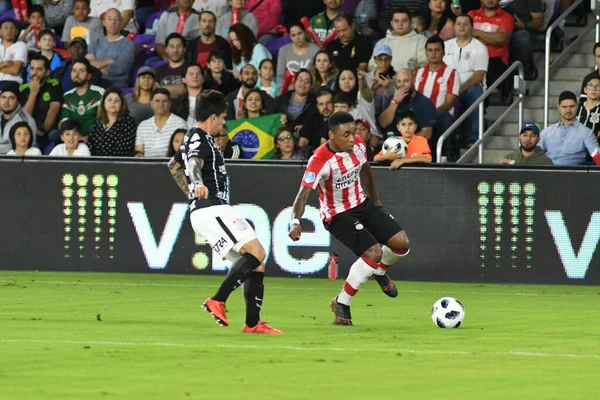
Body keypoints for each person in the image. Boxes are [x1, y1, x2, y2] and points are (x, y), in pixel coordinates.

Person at [167, 90, 283, 334]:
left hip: (208, 209)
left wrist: (190, 193)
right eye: (222, 117)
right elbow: (194, 163)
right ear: (212, 117)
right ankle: (217, 299)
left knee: (256, 262)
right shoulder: (199, 137)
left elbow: (174, 165)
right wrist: (197, 184)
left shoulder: (192, 138)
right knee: (257, 251)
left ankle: (252, 323)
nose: (223, 122)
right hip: (213, 208)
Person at [288, 111, 411, 325]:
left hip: (362, 203)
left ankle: (379, 271)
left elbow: (365, 171)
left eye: (353, 133)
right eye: (346, 135)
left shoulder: (359, 146)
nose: (352, 139)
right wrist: (295, 221)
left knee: (402, 244)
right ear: (331, 135)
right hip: (337, 213)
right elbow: (304, 193)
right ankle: (341, 303)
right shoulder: (319, 160)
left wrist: (377, 203)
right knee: (373, 252)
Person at [443, 14, 488, 146]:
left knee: (476, 93)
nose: (462, 26)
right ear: (454, 27)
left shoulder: (480, 48)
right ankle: (447, 143)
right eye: (459, 24)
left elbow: (479, 75)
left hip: (469, 87)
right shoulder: (445, 46)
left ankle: (474, 139)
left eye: (465, 24)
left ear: (471, 27)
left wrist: (460, 89)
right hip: (448, 86)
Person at [468, 0, 513, 102]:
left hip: (495, 60)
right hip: (471, 57)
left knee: (488, 66)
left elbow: (501, 39)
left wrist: (476, 32)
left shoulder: (506, 17)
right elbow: (465, 36)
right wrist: (491, 37)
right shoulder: (471, 14)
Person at [539, 91, 600, 166]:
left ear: (577, 106)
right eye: (564, 107)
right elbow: (535, 154)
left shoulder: (586, 133)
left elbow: (598, 157)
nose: (568, 110)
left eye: (571, 106)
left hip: (571, 175)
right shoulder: (546, 132)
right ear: (558, 107)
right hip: (545, 173)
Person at [378, 68, 437, 145]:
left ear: (413, 81)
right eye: (399, 81)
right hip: (391, 146)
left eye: (406, 81)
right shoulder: (391, 100)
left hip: (415, 146)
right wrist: (395, 101)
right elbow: (383, 123)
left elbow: (427, 133)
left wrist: (403, 143)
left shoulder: (424, 102)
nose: (402, 85)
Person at [19, 54, 63, 151]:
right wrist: (33, 94)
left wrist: (44, 130)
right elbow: (25, 116)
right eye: (32, 69)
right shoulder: (23, 89)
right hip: (28, 130)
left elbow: (54, 108)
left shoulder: (54, 84)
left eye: (39, 70)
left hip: (48, 130)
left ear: (47, 72)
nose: (34, 73)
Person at [368, 7, 427, 74]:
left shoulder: (421, 40)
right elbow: (371, 66)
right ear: (391, 23)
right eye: (396, 21)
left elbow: (425, 64)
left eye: (404, 21)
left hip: (412, 81)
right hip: (385, 81)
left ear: (410, 22)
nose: (400, 24)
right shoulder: (382, 42)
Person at [86, 8, 136, 88]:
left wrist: (97, 65)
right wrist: (109, 61)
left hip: (117, 86)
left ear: (120, 22)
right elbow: (87, 65)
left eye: (117, 19)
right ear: (104, 22)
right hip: (95, 85)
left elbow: (120, 68)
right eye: (109, 19)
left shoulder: (128, 44)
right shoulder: (96, 43)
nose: (113, 22)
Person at [60, 58, 105, 139]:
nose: (76, 74)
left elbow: (105, 121)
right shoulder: (67, 95)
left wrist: (87, 138)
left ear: (88, 76)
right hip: (72, 139)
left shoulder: (99, 93)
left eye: (81, 71)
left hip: (95, 138)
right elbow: (64, 122)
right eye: (74, 71)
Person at [135, 88, 188, 157]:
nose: (161, 104)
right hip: (147, 165)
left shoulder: (180, 124)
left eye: (164, 101)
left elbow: (183, 151)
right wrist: (139, 155)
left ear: (169, 103)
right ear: (151, 103)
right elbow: (139, 151)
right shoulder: (143, 126)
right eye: (157, 101)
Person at [87, 88, 136, 156]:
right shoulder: (97, 123)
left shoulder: (128, 122)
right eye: (109, 100)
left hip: (118, 163)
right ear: (103, 103)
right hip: (96, 163)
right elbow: (90, 146)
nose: (113, 102)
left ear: (122, 104)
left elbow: (124, 149)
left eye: (117, 100)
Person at [276, 22, 320, 86]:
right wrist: (285, 88)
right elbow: (280, 76)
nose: (297, 38)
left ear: (305, 32)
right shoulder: (283, 50)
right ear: (289, 36)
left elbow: (319, 75)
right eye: (293, 35)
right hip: (289, 89)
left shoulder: (316, 50)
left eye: (300, 33)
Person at [0, 82, 38, 154]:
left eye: (11, 98)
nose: (6, 101)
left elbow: (26, 145)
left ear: (18, 101)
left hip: (15, 159)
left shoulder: (25, 119)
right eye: (3, 97)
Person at [156, 33, 189, 98]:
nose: (175, 50)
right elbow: (154, 92)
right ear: (166, 49)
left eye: (179, 46)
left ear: (184, 49)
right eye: (171, 46)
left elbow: (184, 90)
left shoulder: (191, 68)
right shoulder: (158, 70)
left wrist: (162, 88)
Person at [0, 18, 28, 84]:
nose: (9, 31)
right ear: (0, 31)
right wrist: (4, 64)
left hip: (12, 82)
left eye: (12, 28)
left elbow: (15, 70)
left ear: (16, 31)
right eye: (6, 28)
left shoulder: (21, 46)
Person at [578, 74, 600, 139]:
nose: (594, 89)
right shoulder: (577, 108)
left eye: (598, 86)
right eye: (590, 86)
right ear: (585, 90)